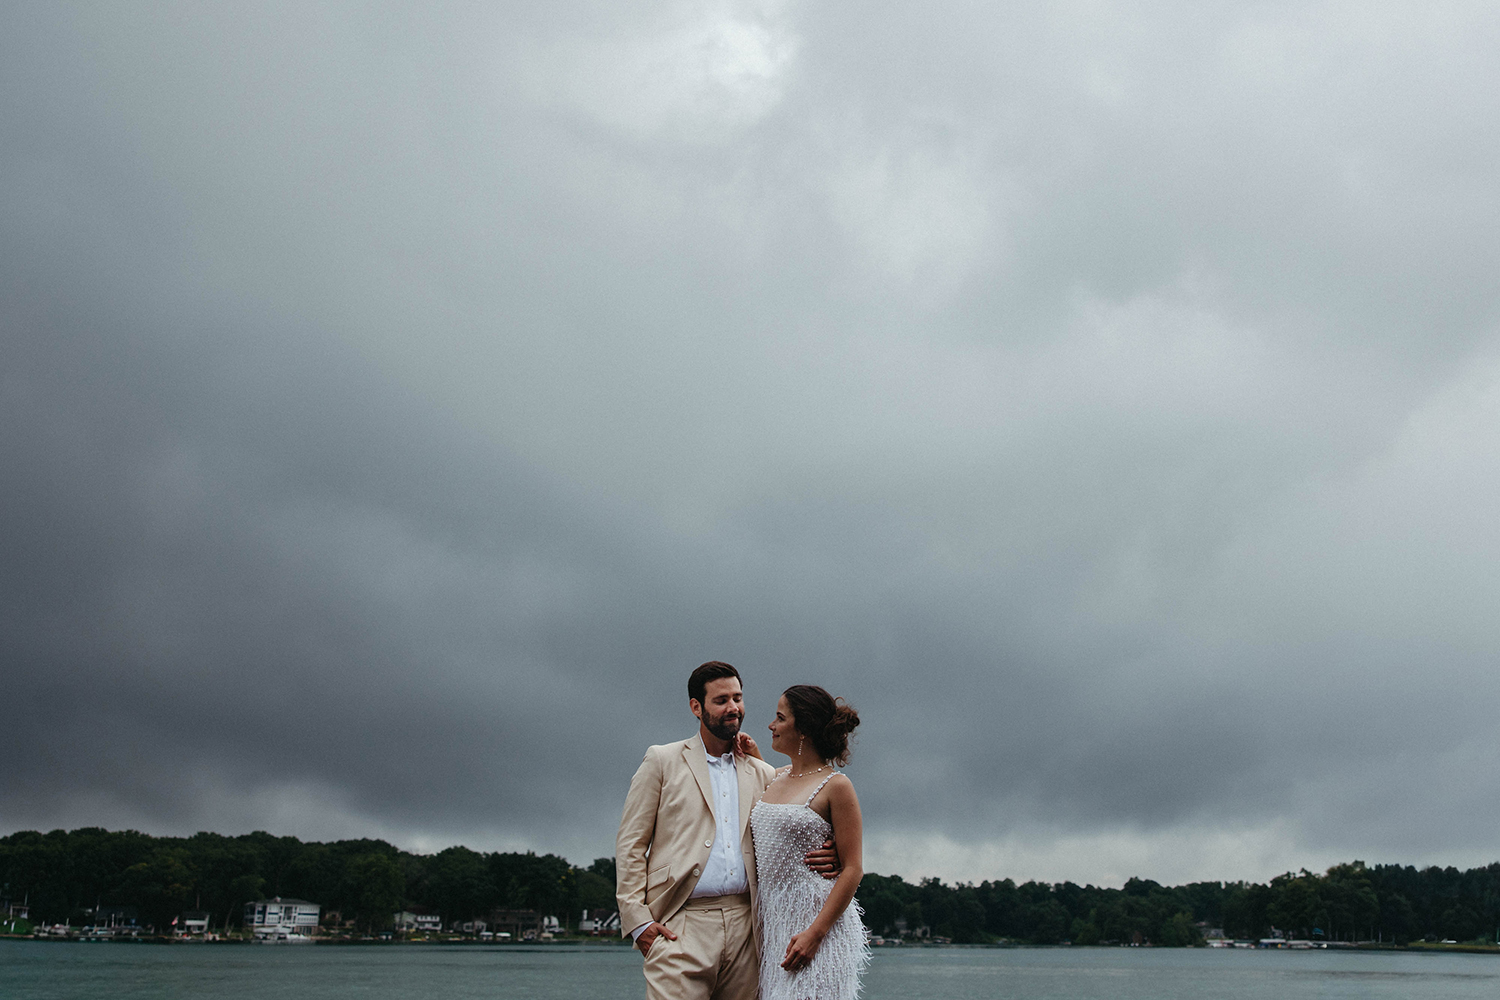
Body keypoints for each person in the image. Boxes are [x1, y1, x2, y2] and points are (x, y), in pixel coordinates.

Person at [617, 662, 840, 1000]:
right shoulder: (661, 761)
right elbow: (631, 844)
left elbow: (800, 813)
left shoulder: (764, 773)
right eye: (721, 700)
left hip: (748, 928)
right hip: (681, 923)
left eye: (738, 698)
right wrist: (638, 923)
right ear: (697, 707)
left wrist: (834, 850)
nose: (733, 708)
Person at [750, 684, 868, 1000]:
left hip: (820, 930)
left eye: (779, 718)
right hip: (777, 929)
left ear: (802, 729)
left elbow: (853, 868)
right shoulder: (774, 777)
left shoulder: (836, 786)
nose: (771, 726)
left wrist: (815, 935)